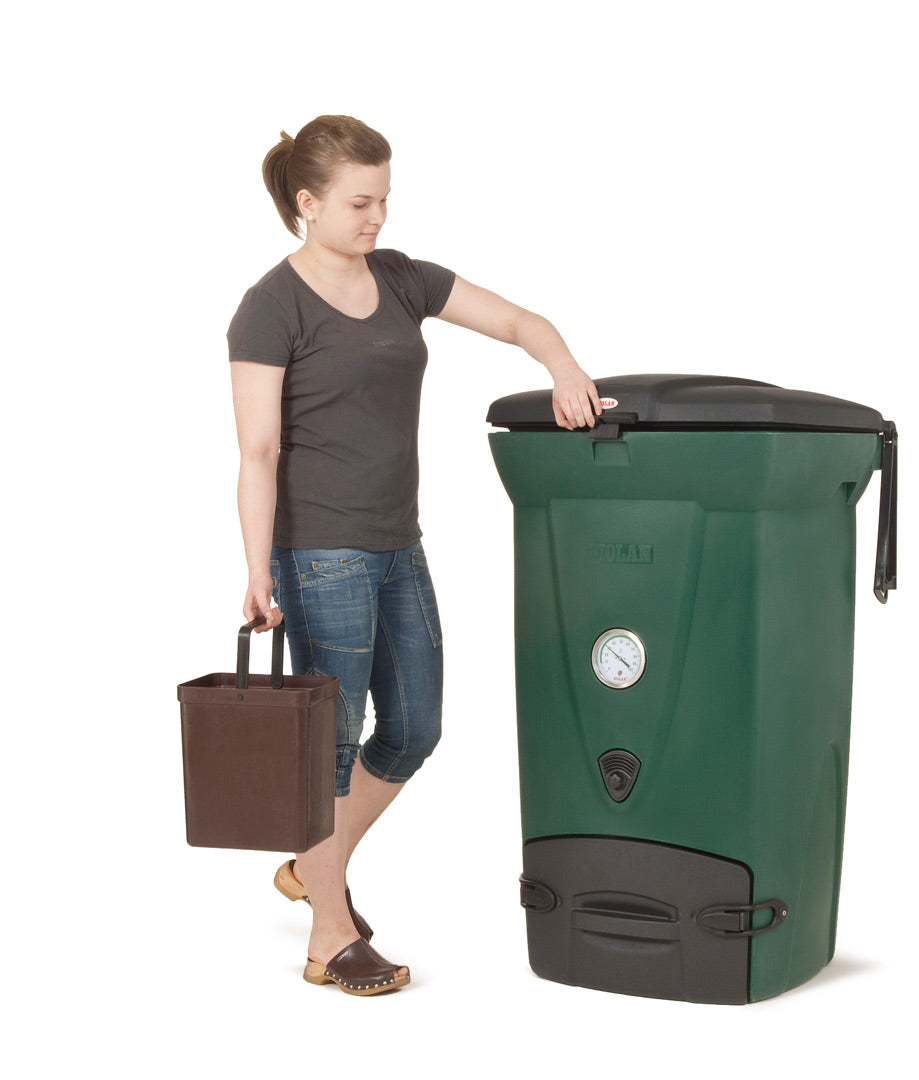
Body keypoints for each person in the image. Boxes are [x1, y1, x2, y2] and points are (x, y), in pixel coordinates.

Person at [227, 114, 601, 997]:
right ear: (307, 203)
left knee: (415, 728)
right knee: (329, 748)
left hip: (399, 543)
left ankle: (313, 863)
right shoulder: (269, 305)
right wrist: (255, 568)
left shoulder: (399, 280)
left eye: (386, 198)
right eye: (360, 202)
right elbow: (257, 451)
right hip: (319, 553)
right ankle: (329, 932)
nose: (378, 218)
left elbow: (517, 318)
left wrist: (563, 365)